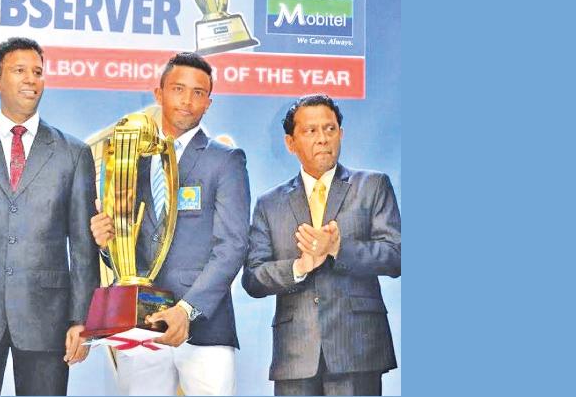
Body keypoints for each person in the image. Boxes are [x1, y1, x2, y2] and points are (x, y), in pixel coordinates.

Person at [89, 52, 251, 395]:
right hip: (141, 325)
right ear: (158, 92)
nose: (187, 100)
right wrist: (107, 247)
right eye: (178, 89)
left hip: (205, 327)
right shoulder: (133, 161)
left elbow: (232, 246)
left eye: (198, 92)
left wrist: (187, 310)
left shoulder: (226, 161)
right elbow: (128, 247)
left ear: (209, 101)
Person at [0, 37, 99, 395]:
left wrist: (82, 320)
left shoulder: (73, 154)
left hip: (47, 318)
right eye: (19, 71)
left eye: (38, 72)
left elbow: (83, 246)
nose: (31, 79)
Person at [242, 94, 400, 396]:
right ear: (290, 142)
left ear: (340, 133)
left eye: (330, 129)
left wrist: (338, 249)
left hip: (357, 349)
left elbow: (396, 255)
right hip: (295, 355)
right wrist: (298, 267)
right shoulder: (269, 203)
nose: (323, 139)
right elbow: (253, 278)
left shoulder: (373, 185)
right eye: (310, 131)